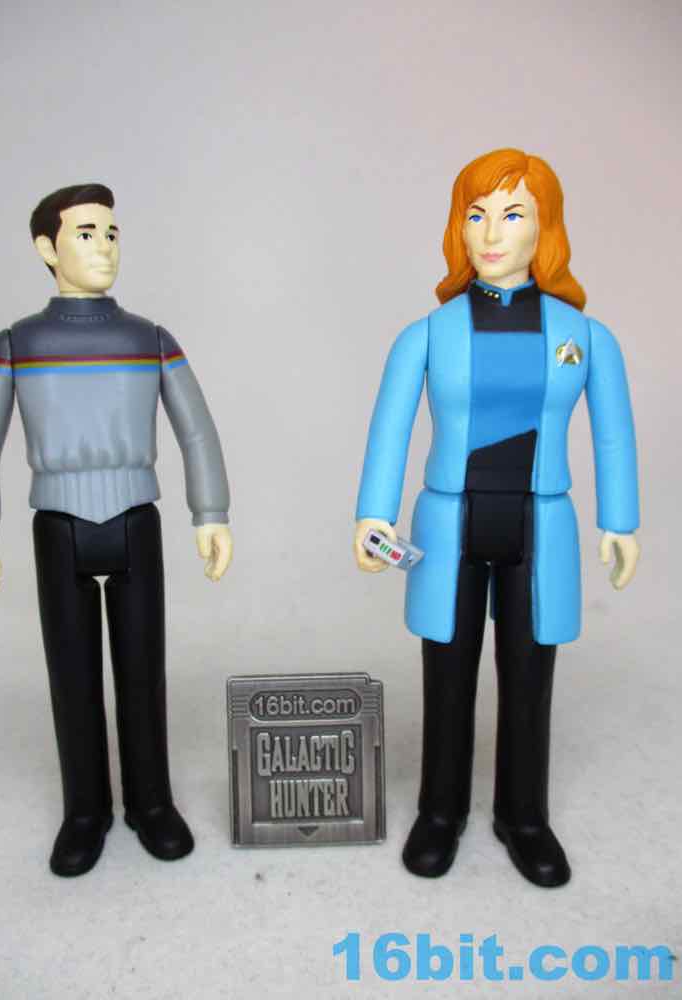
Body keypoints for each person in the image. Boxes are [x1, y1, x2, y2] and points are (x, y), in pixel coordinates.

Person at [353, 149, 639, 887]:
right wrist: (373, 513)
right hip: (450, 522)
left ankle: (524, 814)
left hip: (540, 523)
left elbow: (614, 433)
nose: (490, 232)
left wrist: (621, 521)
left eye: (512, 214)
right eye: (475, 214)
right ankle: (439, 810)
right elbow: (390, 428)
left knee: (529, 674)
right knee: (447, 673)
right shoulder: (428, 333)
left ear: (545, 227)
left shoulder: (583, 336)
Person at [0, 183, 233, 877]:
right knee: (72, 677)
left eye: (111, 232)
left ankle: (151, 801)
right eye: (85, 233)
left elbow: (197, 431)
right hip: (59, 527)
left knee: (143, 672)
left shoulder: (149, 339)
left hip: (136, 520)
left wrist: (211, 514)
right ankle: (85, 810)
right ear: (46, 248)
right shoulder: (18, 344)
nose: (104, 246)